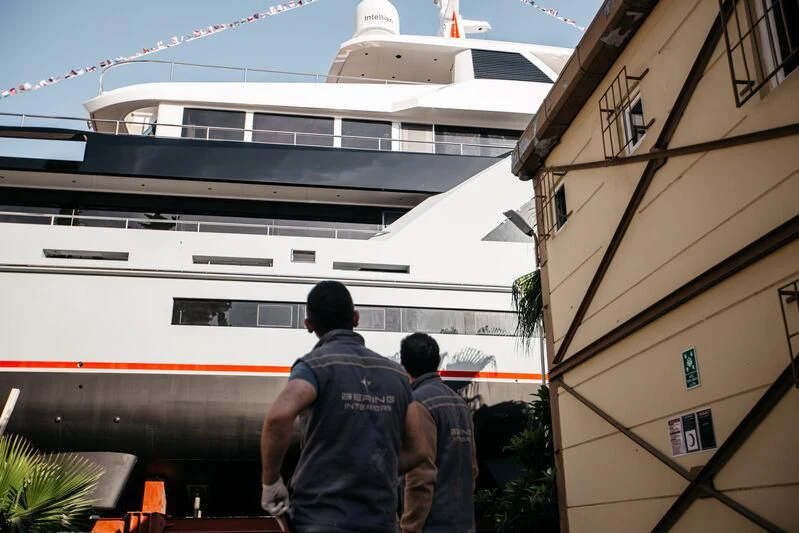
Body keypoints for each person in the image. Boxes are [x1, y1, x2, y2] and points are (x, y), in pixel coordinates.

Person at [260, 280, 427, 533]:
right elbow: (419, 449)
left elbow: (279, 416)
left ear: (309, 326)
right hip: (380, 520)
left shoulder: (314, 366)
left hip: (319, 517)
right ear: (356, 317)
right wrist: (376, 467)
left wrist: (271, 482)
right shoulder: (396, 375)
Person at [399, 333, 479, 533]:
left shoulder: (417, 404)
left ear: (404, 364)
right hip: (463, 523)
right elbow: (473, 468)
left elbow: (420, 476)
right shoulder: (459, 403)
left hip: (432, 524)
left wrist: (409, 528)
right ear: (436, 361)